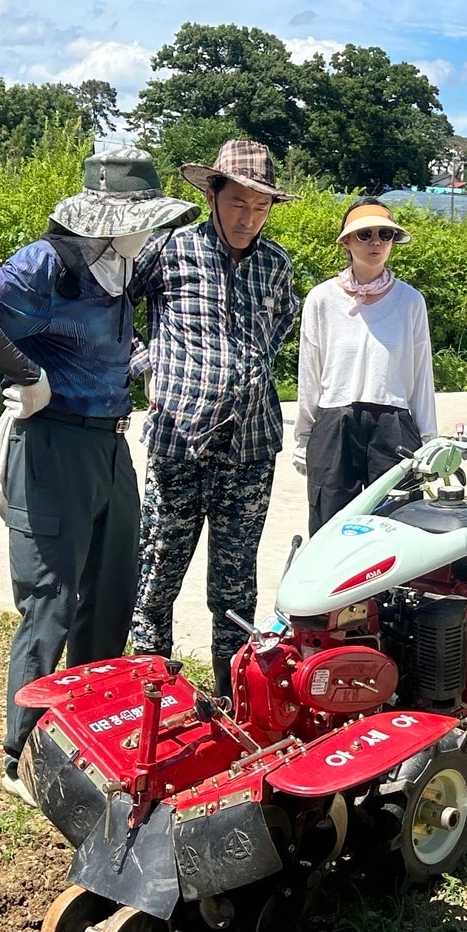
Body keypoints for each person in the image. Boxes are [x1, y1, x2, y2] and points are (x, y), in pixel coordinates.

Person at [0, 147, 199, 805]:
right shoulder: (50, 262)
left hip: (111, 448)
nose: (151, 232)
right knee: (50, 600)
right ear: (108, 218)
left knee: (111, 595)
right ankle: (20, 754)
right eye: (141, 218)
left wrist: (142, 362)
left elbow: (97, 347)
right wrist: (27, 375)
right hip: (53, 446)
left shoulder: (122, 269)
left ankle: (82, 736)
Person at [127, 140, 298, 700]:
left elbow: (280, 329)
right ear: (212, 195)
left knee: (235, 586)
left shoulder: (276, 266)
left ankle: (232, 699)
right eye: (238, 204)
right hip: (178, 443)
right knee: (156, 575)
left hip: (251, 449)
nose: (249, 218)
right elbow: (113, 306)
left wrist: (241, 373)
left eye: (261, 207)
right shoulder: (170, 250)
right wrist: (143, 359)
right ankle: (148, 698)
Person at [293, 198, 438, 534]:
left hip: (393, 425)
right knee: (329, 528)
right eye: (364, 234)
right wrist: (303, 437)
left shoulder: (410, 301)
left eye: (384, 234)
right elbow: (309, 372)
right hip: (335, 423)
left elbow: (420, 372)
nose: (375, 242)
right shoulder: (322, 298)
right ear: (346, 241)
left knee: (396, 527)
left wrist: (429, 439)